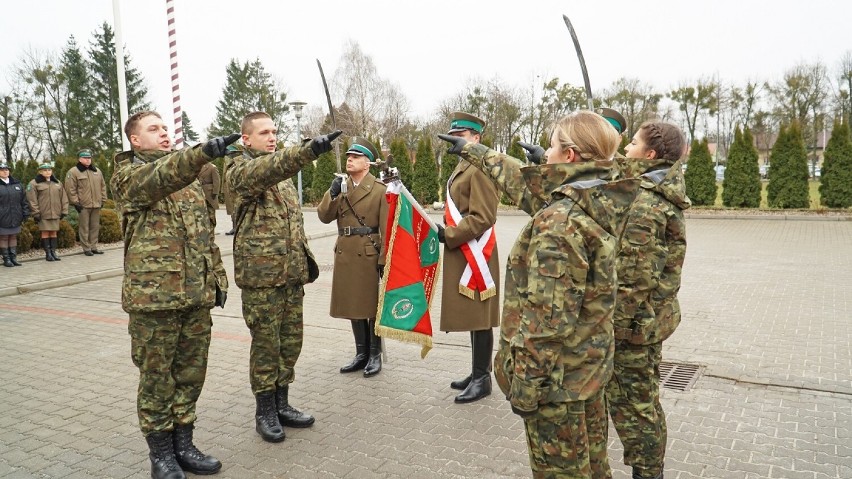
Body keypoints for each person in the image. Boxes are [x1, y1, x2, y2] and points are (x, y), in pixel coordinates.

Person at [439, 110, 640, 478]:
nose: (544, 156)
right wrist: (476, 152)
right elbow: (529, 187)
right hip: (588, 370)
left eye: (551, 147)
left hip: (557, 384)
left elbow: (547, 321)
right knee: (594, 467)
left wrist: (525, 389)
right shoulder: (603, 196)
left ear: (570, 156)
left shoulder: (559, 222)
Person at [111, 110, 235, 479]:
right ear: (135, 140)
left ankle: (184, 443)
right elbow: (159, 177)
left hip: (195, 297)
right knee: (156, 378)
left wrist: (217, 280)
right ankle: (160, 453)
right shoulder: (128, 176)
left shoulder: (189, 182)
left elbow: (204, 235)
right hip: (155, 302)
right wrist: (199, 154)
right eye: (154, 129)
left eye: (166, 127)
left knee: (191, 375)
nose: (164, 133)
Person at [227, 110, 341, 443]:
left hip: (290, 274)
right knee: (266, 346)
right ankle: (264, 411)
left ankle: (282, 403)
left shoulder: (282, 174)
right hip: (262, 279)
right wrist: (307, 150)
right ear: (246, 138)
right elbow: (265, 170)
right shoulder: (239, 169)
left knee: (290, 343)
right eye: (264, 133)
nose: (272, 137)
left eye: (274, 131)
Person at [606, 121, 690, 479]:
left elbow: (635, 278)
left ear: (650, 155)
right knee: (642, 404)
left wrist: (616, 330)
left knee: (636, 408)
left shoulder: (646, 204)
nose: (626, 148)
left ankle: (648, 472)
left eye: (634, 144)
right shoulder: (648, 190)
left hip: (634, 328)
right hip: (647, 320)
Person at [436, 112, 500, 404]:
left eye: (459, 136)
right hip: (465, 250)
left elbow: (484, 216)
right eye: (453, 135)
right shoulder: (464, 166)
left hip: (477, 251)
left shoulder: (481, 169)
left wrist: (450, 234)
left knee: (480, 315)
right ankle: (478, 370)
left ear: (476, 139)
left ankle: (482, 379)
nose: (454, 140)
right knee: (474, 314)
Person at [316, 137, 389, 377]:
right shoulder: (341, 186)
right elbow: (324, 217)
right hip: (346, 251)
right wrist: (331, 193)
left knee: (370, 306)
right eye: (348, 156)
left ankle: (374, 354)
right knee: (352, 304)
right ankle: (361, 353)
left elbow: (387, 228)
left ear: (367, 163)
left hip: (368, 252)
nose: (350, 160)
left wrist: (384, 259)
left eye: (356, 157)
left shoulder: (379, 189)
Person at [64, 149, 108, 256]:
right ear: (80, 159)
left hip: (96, 204)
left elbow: (103, 186)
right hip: (83, 205)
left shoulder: (96, 171)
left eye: (89, 158)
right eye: (85, 158)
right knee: (84, 227)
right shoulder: (73, 172)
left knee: (95, 226)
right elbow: (70, 189)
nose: (88, 160)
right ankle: (86, 248)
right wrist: (75, 202)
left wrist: (103, 199)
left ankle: (93, 246)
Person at [26, 164, 68, 262]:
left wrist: (64, 210)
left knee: (53, 232)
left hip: (55, 212)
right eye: (45, 170)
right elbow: (32, 199)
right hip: (43, 213)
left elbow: (64, 197)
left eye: (49, 170)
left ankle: (53, 252)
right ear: (40, 172)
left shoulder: (57, 183)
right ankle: (48, 254)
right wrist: (35, 213)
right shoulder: (34, 183)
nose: (48, 172)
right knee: (45, 232)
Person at [0, 162, 29, 267]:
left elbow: (24, 201)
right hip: (2, 217)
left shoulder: (17, 184)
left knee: (13, 236)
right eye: (2, 170)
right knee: (3, 237)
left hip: (16, 215)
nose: (5, 171)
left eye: (7, 169)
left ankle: (14, 258)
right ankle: (6, 259)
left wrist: (25, 213)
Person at [221, 147, 238, 235]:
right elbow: (224, 176)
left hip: (234, 189)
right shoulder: (227, 161)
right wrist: (222, 190)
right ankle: (234, 227)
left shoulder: (236, 161)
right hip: (228, 188)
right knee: (231, 210)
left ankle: (237, 227)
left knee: (236, 209)